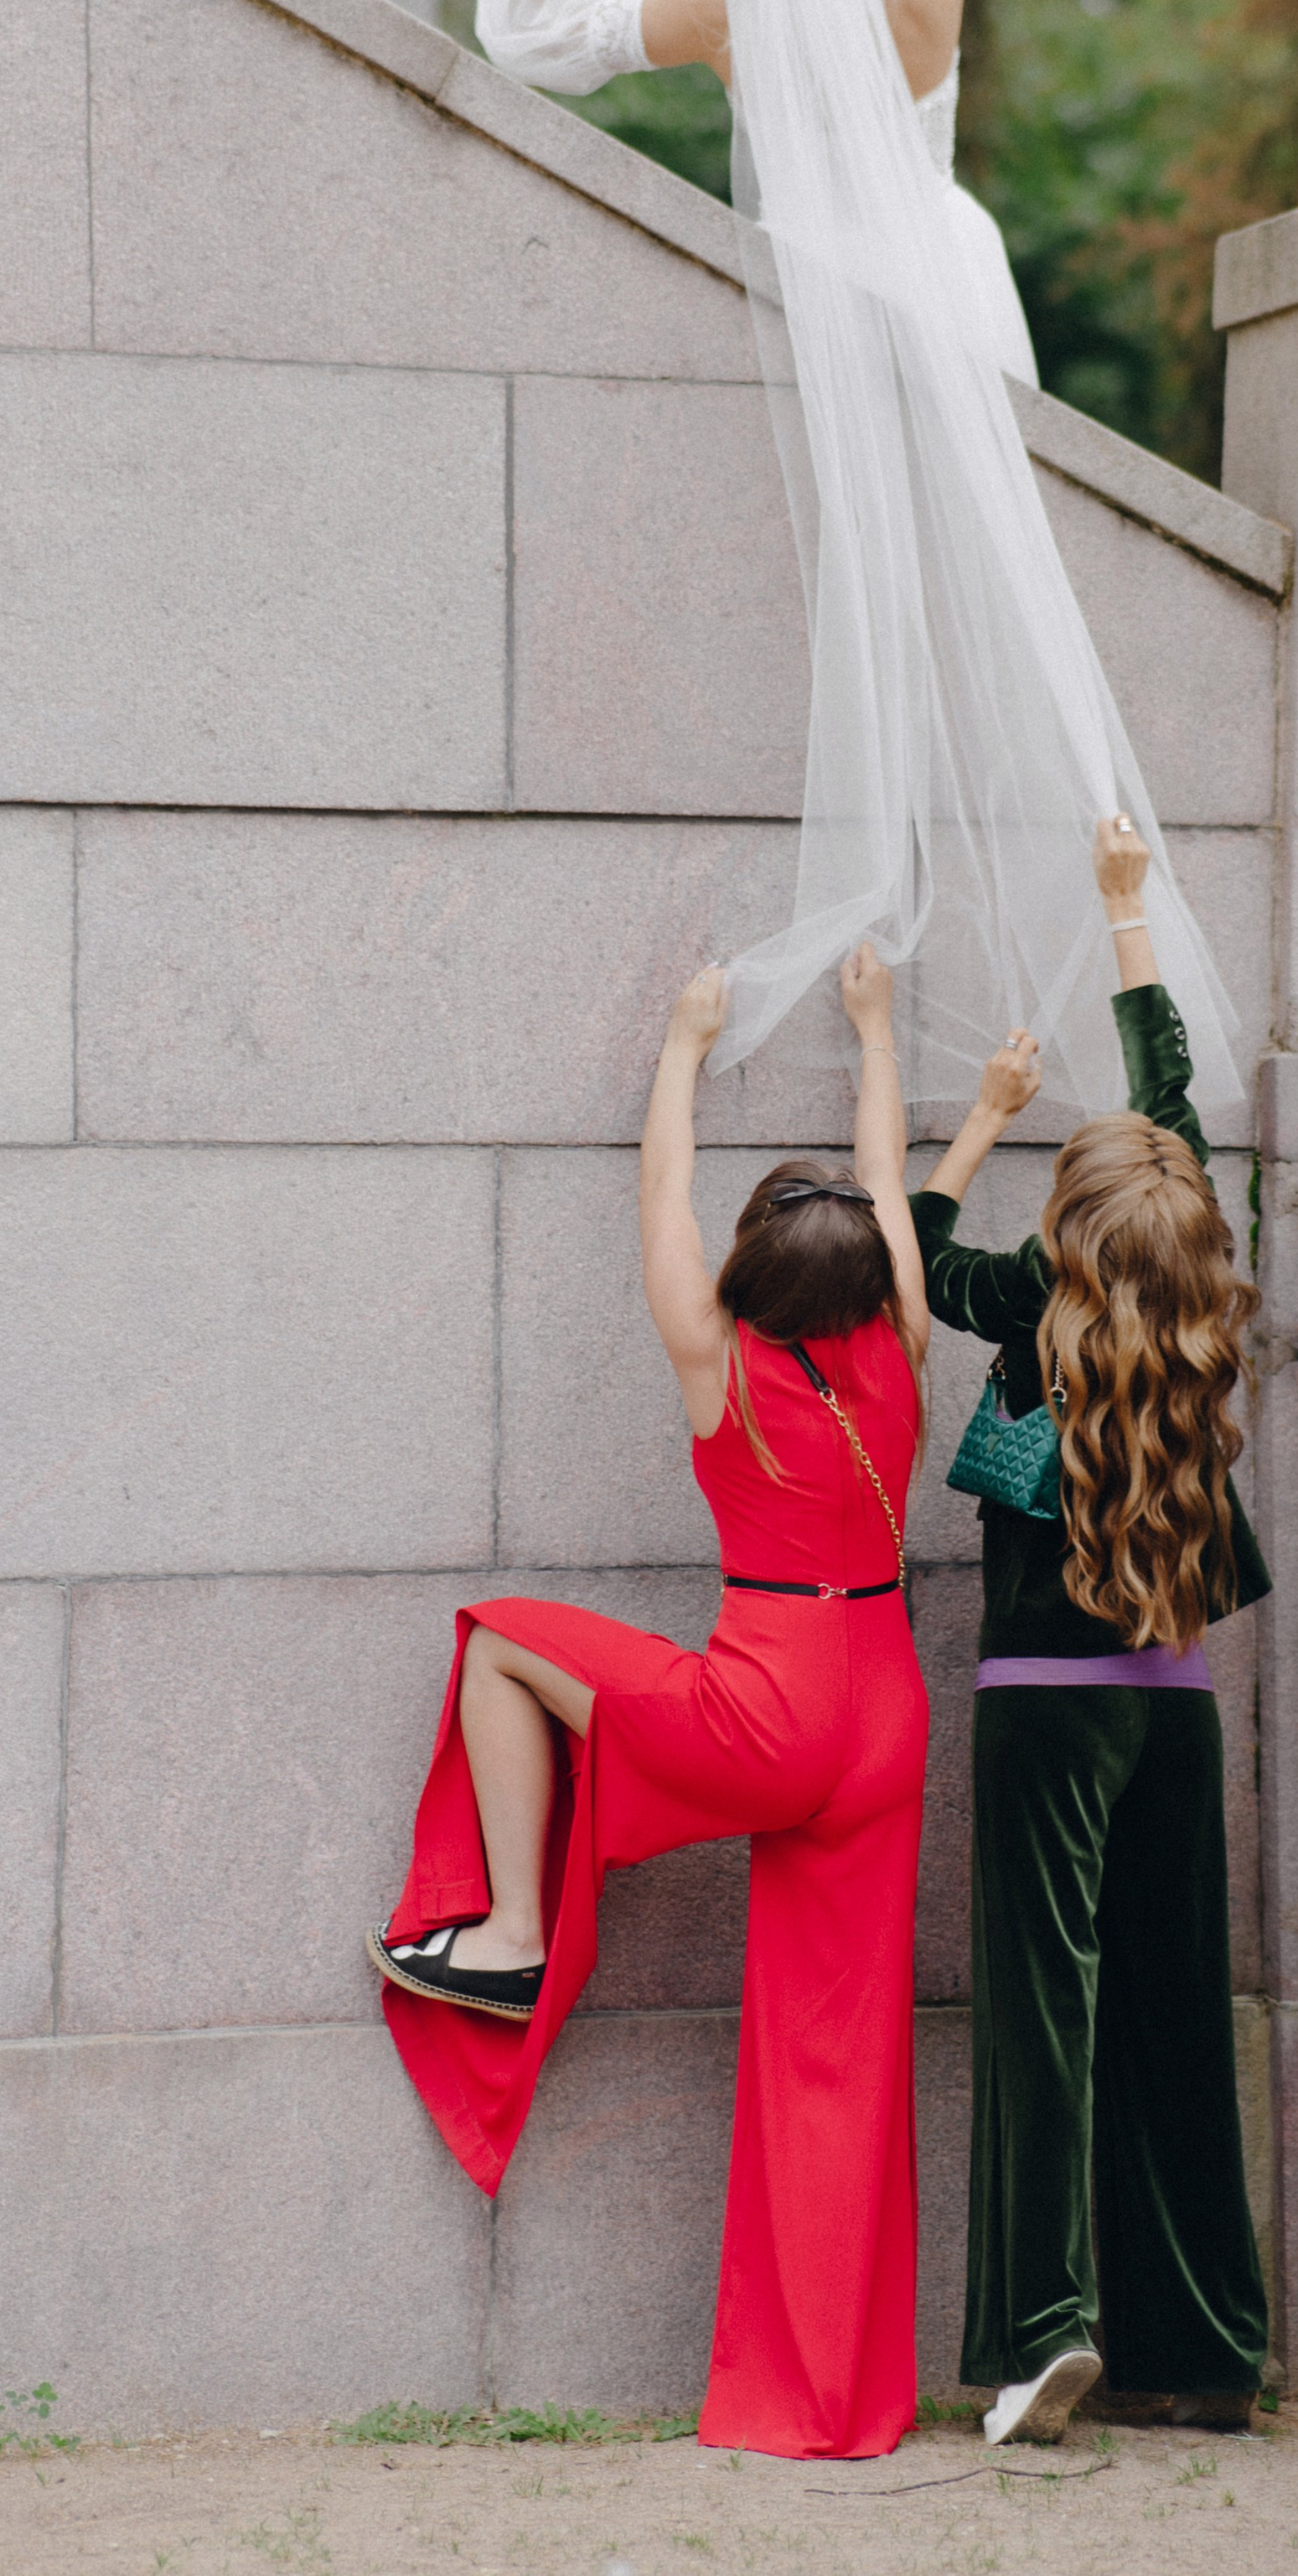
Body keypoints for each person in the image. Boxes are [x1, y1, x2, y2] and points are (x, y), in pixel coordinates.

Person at [468, 0, 1254, 1138]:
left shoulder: (717, 7)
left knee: (895, 596)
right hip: (950, 291)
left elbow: (540, 37)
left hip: (832, 312)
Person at [367, 945, 931, 2462]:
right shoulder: (905, 1346)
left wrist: (685, 1042)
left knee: (498, 1637)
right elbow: (889, 1170)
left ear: (756, 1277)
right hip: (887, 1709)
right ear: (874, 1273)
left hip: (770, 1707)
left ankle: (507, 1936)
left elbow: (660, 1193)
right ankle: (844, 2406)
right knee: (843, 2060)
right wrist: (877, 1031)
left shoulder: (721, 1361)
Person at [903, 813, 1273, 2446]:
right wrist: (1128, 914)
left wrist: (973, 1124)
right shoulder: (1196, 1309)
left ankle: (1044, 2331)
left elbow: (910, 1254)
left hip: (1040, 1713)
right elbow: (1173, 1113)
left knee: (1045, 2028)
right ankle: (1199, 2352)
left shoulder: (1026, 1303)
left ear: (1068, 1231)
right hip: (1171, 1712)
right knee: (1177, 2022)